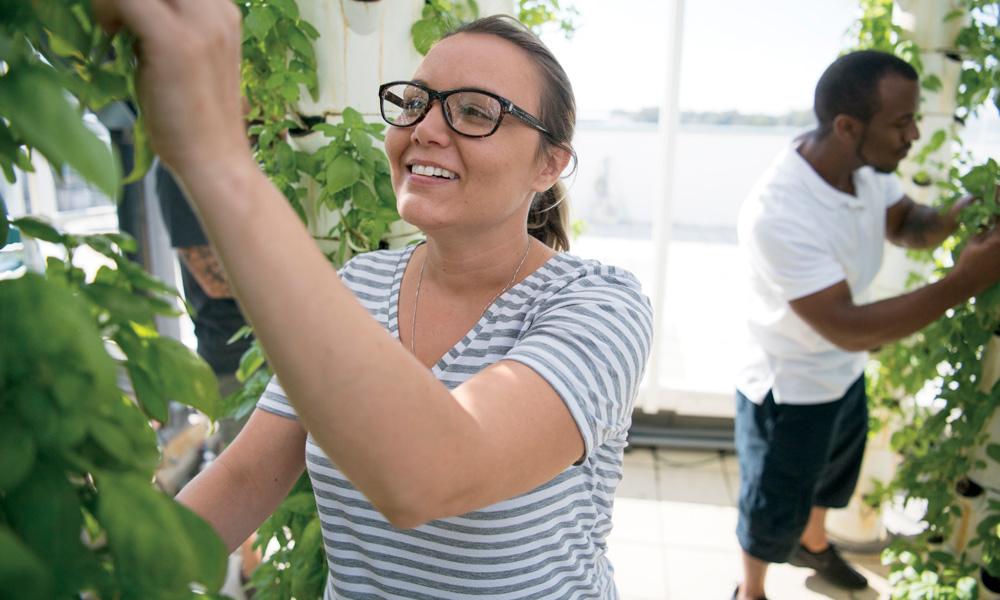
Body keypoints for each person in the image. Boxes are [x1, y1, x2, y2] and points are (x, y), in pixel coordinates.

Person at [91, 2, 653, 598]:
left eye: (473, 112)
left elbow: (431, 476)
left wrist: (214, 156)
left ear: (550, 165)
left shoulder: (598, 306)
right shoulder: (360, 285)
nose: (426, 130)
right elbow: (247, 475)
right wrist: (104, 578)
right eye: (415, 102)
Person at [733, 50, 1000, 600]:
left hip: (842, 370)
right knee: (771, 502)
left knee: (833, 476)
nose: (914, 134)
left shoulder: (864, 169)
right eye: (901, 122)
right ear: (848, 126)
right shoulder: (779, 212)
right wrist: (965, 281)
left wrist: (969, 209)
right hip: (789, 383)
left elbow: (910, 225)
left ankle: (814, 546)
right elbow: (847, 326)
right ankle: (750, 588)